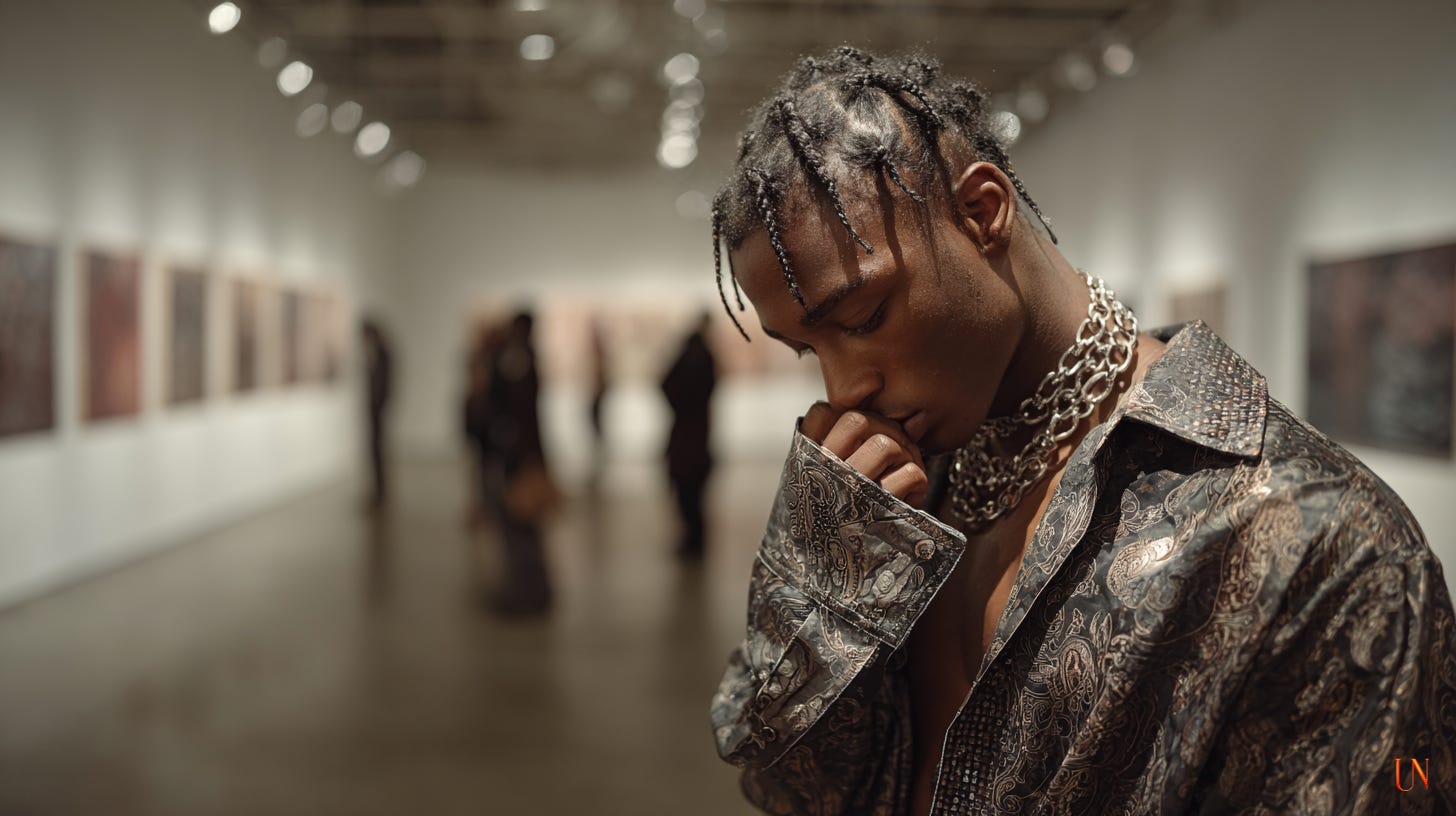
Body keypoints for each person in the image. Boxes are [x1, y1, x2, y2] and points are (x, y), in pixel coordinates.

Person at [707, 48, 1456, 814]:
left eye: (865, 318)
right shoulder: (902, 492)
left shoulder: (1317, 539)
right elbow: (792, 790)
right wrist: (814, 587)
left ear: (983, 212)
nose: (844, 389)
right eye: (808, 350)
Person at [481, 310, 552, 616]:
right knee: (520, 528)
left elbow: (515, 410)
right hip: (518, 455)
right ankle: (529, 590)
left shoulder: (518, 360)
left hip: (518, 458)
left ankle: (530, 593)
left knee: (521, 528)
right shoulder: (520, 358)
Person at [661, 311, 719, 558]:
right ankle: (694, 541)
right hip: (693, 439)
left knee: (689, 494)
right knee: (691, 494)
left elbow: (665, 383)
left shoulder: (698, 358)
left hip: (689, 439)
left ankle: (694, 542)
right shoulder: (703, 358)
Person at [360, 318, 393, 511]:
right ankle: (378, 491)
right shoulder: (376, 353)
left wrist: (380, 406)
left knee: (378, 451)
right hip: (374, 410)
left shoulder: (384, 354)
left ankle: (381, 492)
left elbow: (385, 385)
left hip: (378, 410)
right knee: (375, 451)